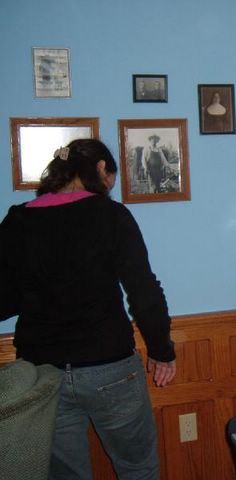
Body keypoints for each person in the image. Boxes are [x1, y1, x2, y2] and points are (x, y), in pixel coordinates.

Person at [0, 139, 176, 479]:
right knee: (138, 468)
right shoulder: (111, 215)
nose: (109, 187)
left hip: (43, 370)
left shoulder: (18, 220)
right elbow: (143, 289)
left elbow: (4, 300)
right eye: (110, 178)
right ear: (100, 168)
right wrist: (161, 350)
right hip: (109, 365)